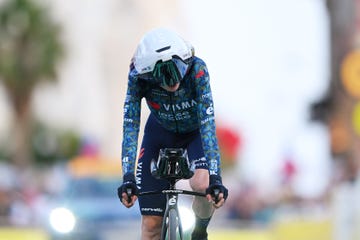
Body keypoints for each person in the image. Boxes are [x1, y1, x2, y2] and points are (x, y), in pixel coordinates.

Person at [117, 27, 228, 240]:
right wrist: (128, 176)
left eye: (177, 71)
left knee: (202, 185)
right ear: (148, 73)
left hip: (194, 132)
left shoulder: (197, 70)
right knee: (151, 225)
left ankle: (199, 231)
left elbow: (207, 123)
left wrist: (216, 177)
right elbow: (130, 125)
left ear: (185, 61)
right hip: (159, 133)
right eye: (163, 77)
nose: (172, 82)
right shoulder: (137, 77)